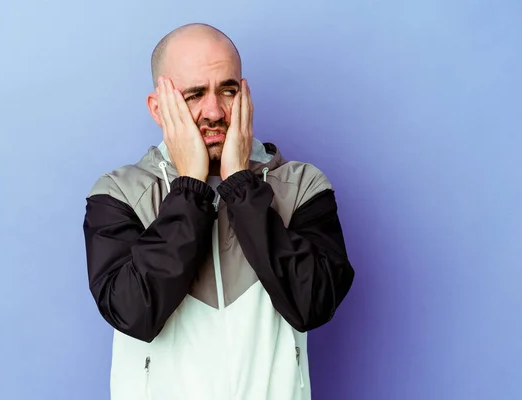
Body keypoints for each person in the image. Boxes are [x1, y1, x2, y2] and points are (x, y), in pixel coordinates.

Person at [82, 22, 355, 400]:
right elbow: (134, 312)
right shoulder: (119, 194)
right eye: (194, 95)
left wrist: (240, 184)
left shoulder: (303, 186)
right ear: (159, 108)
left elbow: (313, 305)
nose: (214, 111)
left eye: (227, 90)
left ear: (245, 96)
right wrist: (190, 187)